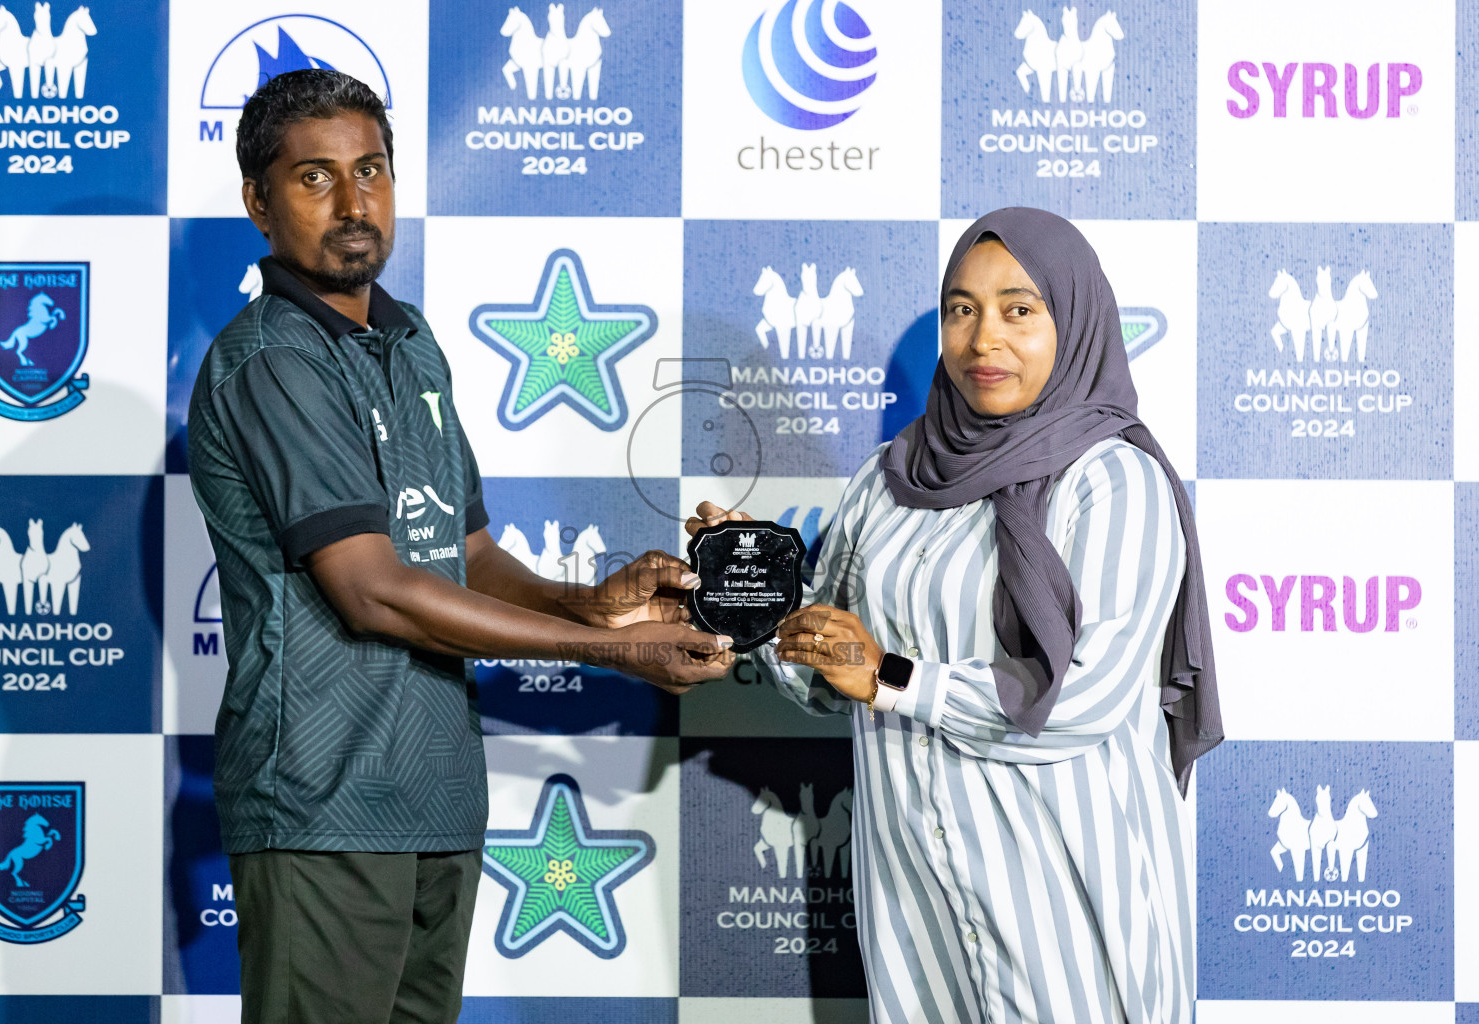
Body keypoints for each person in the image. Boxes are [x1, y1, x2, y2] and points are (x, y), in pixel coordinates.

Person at [187, 69, 731, 1024]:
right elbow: (375, 591)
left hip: (434, 799)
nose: (355, 203)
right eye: (316, 178)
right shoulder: (272, 359)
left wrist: (588, 603)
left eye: (373, 170)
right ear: (258, 203)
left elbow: (463, 553)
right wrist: (611, 653)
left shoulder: (410, 341)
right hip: (326, 808)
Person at [689, 208, 1223, 1023]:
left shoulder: (1114, 483)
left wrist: (894, 679)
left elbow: (1084, 700)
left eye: (1020, 309)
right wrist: (756, 597)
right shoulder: (889, 479)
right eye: (961, 309)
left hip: (1064, 891)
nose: (983, 340)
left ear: (1075, 322)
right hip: (914, 894)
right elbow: (835, 676)